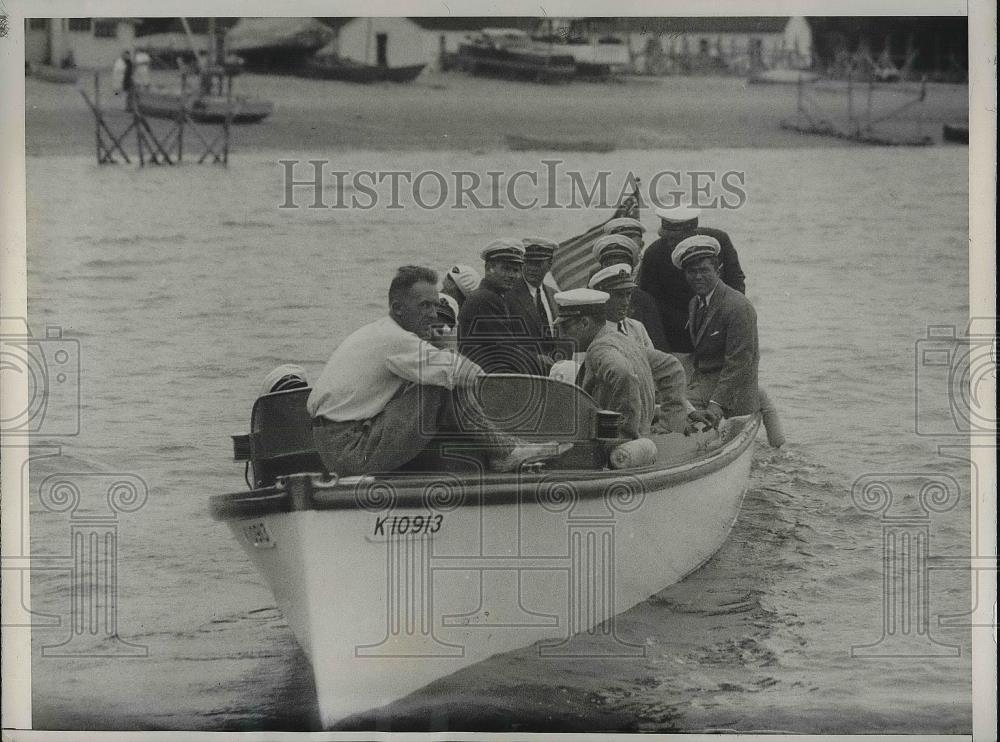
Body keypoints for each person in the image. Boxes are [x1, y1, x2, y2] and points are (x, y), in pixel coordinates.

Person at [308, 266, 565, 476]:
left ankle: (505, 449)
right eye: (424, 307)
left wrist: (439, 349)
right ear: (398, 309)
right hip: (351, 448)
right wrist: (448, 345)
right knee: (443, 382)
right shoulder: (396, 340)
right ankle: (504, 453)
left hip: (332, 444)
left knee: (440, 376)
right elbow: (467, 373)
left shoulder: (379, 332)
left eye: (435, 305)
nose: (433, 314)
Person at [553, 288, 717, 439]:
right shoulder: (622, 340)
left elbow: (624, 375)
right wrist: (673, 419)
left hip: (617, 451)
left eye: (566, 328)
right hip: (641, 440)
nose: (561, 335)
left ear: (584, 323)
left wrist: (624, 434)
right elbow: (671, 367)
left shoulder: (599, 350)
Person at [639, 205, 746, 354]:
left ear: (692, 232)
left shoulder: (719, 241)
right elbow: (649, 301)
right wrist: (689, 321)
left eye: (674, 239)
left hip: (720, 325)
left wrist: (727, 314)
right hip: (676, 334)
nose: (669, 243)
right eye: (665, 237)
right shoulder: (654, 254)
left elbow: (736, 281)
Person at [672, 235, 759, 420]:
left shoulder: (738, 307)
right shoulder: (695, 303)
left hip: (732, 398)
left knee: (672, 408)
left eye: (704, 270)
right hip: (704, 384)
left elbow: (740, 363)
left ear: (718, 270)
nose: (698, 277)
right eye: (691, 271)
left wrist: (716, 404)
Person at [458, 239, 535, 374]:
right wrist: (539, 361)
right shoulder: (486, 299)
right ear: (489, 268)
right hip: (486, 379)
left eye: (516, 270)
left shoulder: (492, 297)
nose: (512, 275)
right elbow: (506, 349)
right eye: (506, 269)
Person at [591, 233, 669, 352]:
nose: (625, 301)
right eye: (608, 265)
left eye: (628, 294)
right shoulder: (590, 319)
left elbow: (658, 352)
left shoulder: (641, 310)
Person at [504, 237, 562, 375]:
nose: (531, 268)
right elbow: (502, 343)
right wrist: (534, 358)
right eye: (528, 262)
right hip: (521, 375)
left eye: (538, 263)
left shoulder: (555, 297)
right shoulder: (507, 296)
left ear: (549, 264)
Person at [588, 264, 653, 351]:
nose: (626, 302)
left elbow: (653, 360)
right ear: (602, 297)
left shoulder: (637, 327)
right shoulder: (593, 332)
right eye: (619, 295)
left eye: (628, 294)